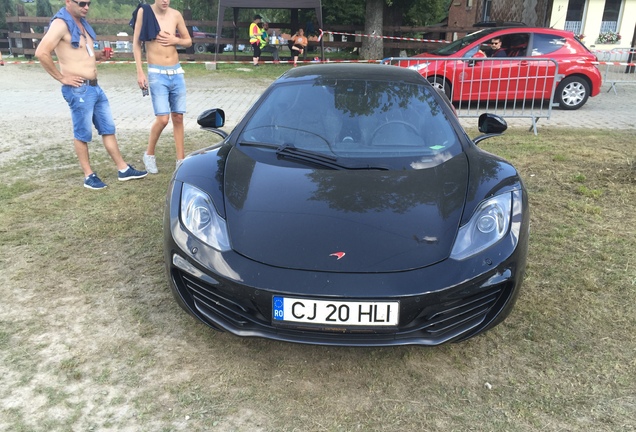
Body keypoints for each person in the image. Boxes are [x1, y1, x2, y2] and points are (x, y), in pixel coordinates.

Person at [35, 0, 147, 190]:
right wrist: (61, 78)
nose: (86, 7)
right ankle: (89, 176)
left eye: (88, 3)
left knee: (108, 128)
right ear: (68, 2)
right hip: (78, 89)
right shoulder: (61, 23)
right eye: (81, 3)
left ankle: (123, 169)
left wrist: (99, 55)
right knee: (82, 133)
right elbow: (41, 52)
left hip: (95, 87)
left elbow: (79, 52)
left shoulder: (81, 23)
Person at [131, 0, 192, 174]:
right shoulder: (145, 12)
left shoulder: (176, 14)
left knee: (178, 117)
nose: (165, 1)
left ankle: (181, 160)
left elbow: (188, 41)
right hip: (156, 72)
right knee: (163, 119)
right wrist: (140, 72)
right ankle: (149, 154)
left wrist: (175, 39)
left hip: (177, 72)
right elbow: (136, 43)